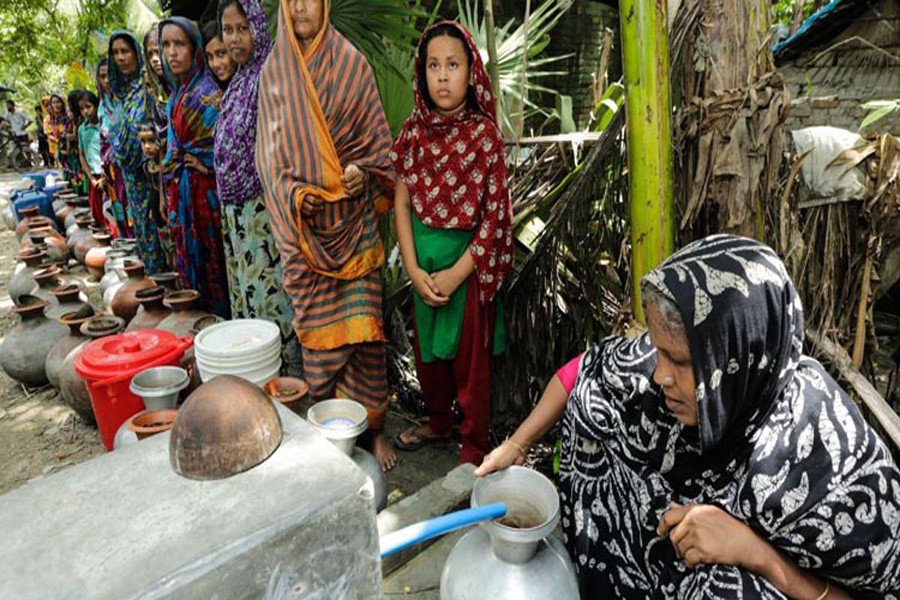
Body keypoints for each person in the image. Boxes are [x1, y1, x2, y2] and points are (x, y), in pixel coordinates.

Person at [475, 234, 900, 598]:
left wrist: (756, 553)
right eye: (659, 351)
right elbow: (585, 372)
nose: (659, 374)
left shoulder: (833, 462)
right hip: (661, 567)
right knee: (598, 406)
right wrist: (518, 443)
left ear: (735, 359)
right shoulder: (691, 359)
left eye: (679, 361)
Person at [257, 0, 397, 470]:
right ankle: (326, 426)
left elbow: (378, 144)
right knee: (319, 345)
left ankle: (375, 429)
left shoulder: (353, 64)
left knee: (366, 339)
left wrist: (362, 172)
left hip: (354, 229)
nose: (300, 7)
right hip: (305, 238)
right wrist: (297, 197)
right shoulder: (273, 76)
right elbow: (269, 162)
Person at [390, 21, 513, 466]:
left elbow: (496, 217)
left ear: (471, 72)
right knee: (429, 359)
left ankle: (474, 446)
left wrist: (458, 273)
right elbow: (401, 201)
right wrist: (412, 268)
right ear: (422, 72)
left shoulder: (484, 135)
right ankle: (439, 422)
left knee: (470, 366)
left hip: (467, 270)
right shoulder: (413, 132)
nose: (442, 76)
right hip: (424, 266)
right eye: (433, 65)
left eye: (453, 65)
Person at [214, 0, 300, 373]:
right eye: (228, 30)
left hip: (265, 214)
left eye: (242, 28)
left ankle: (285, 379)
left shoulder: (270, 76)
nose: (234, 39)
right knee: (249, 301)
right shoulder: (238, 82)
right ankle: (256, 377)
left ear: (258, 29)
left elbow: (282, 148)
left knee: (272, 300)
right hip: (237, 216)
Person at [159, 17, 230, 319]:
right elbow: (171, 153)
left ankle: (218, 326)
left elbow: (230, 151)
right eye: (166, 45)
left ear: (194, 48)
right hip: (182, 195)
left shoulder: (207, 93)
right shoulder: (176, 95)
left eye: (180, 44)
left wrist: (205, 166)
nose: (172, 52)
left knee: (214, 271)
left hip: (207, 199)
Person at [108, 31, 165, 269]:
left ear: (136, 54)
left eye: (125, 51)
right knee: (142, 232)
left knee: (161, 233)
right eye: (115, 53)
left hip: (153, 177)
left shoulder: (149, 87)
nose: (120, 58)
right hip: (131, 181)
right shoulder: (119, 95)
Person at [96, 58, 132, 239]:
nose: (106, 81)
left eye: (109, 75)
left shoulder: (128, 101)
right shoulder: (103, 107)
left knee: (133, 212)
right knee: (119, 212)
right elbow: (102, 142)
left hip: (129, 170)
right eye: (102, 77)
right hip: (112, 172)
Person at [76, 91, 106, 227]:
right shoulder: (82, 129)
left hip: (106, 175)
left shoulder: (103, 126)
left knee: (109, 210)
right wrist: (92, 178)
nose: (85, 111)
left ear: (96, 105)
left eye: (88, 107)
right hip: (92, 177)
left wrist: (104, 176)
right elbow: (82, 155)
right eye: (81, 109)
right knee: (97, 211)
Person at [202, 20, 236, 89]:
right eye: (210, 57)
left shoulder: (252, 85)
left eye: (221, 54)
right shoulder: (211, 89)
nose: (215, 64)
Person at [4, 99, 31, 168]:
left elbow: (30, 120)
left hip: (22, 134)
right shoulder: (8, 114)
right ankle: (20, 164)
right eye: (7, 106)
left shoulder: (19, 112)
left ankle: (29, 163)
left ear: (13, 105)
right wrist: (8, 126)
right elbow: (3, 120)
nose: (7, 107)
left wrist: (25, 126)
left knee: (26, 149)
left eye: (8, 105)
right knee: (15, 150)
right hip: (15, 135)